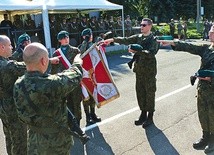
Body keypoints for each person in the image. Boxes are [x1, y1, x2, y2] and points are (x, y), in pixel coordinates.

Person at [13, 42, 83, 155]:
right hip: (55, 144)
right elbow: (75, 76)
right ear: (43, 61)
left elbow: (21, 116)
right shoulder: (50, 83)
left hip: (34, 140)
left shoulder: (18, 84)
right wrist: (77, 63)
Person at [158, 25, 214, 154]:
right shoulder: (207, 48)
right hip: (203, 89)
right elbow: (189, 46)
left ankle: (213, 140)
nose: (210, 34)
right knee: (203, 114)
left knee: (213, 115)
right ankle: (205, 137)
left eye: (212, 32)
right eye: (210, 32)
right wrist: (173, 43)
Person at [104, 18, 160, 128]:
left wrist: (138, 51)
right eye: (141, 25)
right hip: (139, 70)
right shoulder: (138, 37)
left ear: (149, 26)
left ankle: (150, 117)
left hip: (149, 71)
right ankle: (143, 114)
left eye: (144, 25)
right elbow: (126, 39)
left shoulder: (154, 39)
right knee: (140, 92)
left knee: (149, 92)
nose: (141, 27)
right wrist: (112, 40)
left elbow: (152, 53)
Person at [0, 35, 27, 155]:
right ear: (2, 47)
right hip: (13, 107)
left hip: (3, 107)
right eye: (10, 45)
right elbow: (30, 66)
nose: (12, 47)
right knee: (20, 139)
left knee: (9, 137)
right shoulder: (8, 65)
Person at [51, 31, 83, 125]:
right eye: (63, 38)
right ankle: (70, 123)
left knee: (76, 103)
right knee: (67, 105)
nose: (66, 39)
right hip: (64, 84)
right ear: (60, 40)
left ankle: (77, 123)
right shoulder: (56, 53)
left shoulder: (75, 51)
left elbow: (80, 66)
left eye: (67, 37)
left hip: (74, 82)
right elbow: (54, 71)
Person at [79, 28, 102, 125]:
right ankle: (88, 116)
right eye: (87, 35)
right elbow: (81, 53)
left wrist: (99, 43)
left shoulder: (94, 45)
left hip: (93, 74)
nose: (90, 36)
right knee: (86, 97)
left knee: (93, 94)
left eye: (90, 34)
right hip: (85, 76)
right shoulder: (80, 46)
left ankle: (93, 114)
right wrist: (85, 41)